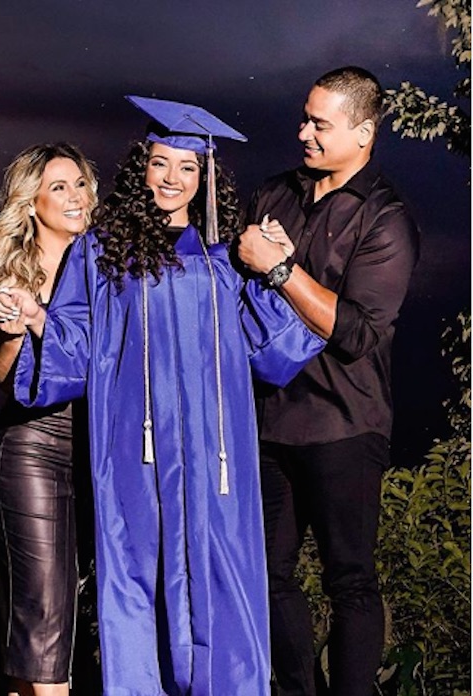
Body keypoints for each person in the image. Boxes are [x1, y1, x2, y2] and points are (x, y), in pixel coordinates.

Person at [0, 96, 325, 695]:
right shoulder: (102, 252)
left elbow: (274, 346)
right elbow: (76, 345)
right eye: (160, 163)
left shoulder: (228, 259)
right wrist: (37, 319)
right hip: (136, 455)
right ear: (139, 169)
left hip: (215, 460)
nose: (173, 178)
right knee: (138, 575)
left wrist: (277, 266)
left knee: (222, 576)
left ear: (205, 178)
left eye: (188, 167)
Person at [238, 66, 419, 696]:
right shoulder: (275, 193)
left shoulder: (386, 216)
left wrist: (281, 268)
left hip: (345, 423)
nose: (303, 133)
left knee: (350, 581)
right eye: (304, 118)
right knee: (266, 575)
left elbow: (359, 333)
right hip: (269, 420)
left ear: (363, 133)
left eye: (321, 124)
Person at [0, 142, 98, 696]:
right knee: (44, 614)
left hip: (96, 453)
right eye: (58, 187)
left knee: (54, 621)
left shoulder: (107, 264)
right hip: (33, 450)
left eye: (81, 184)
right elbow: (5, 378)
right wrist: (14, 329)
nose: (75, 197)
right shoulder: (15, 277)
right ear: (31, 203)